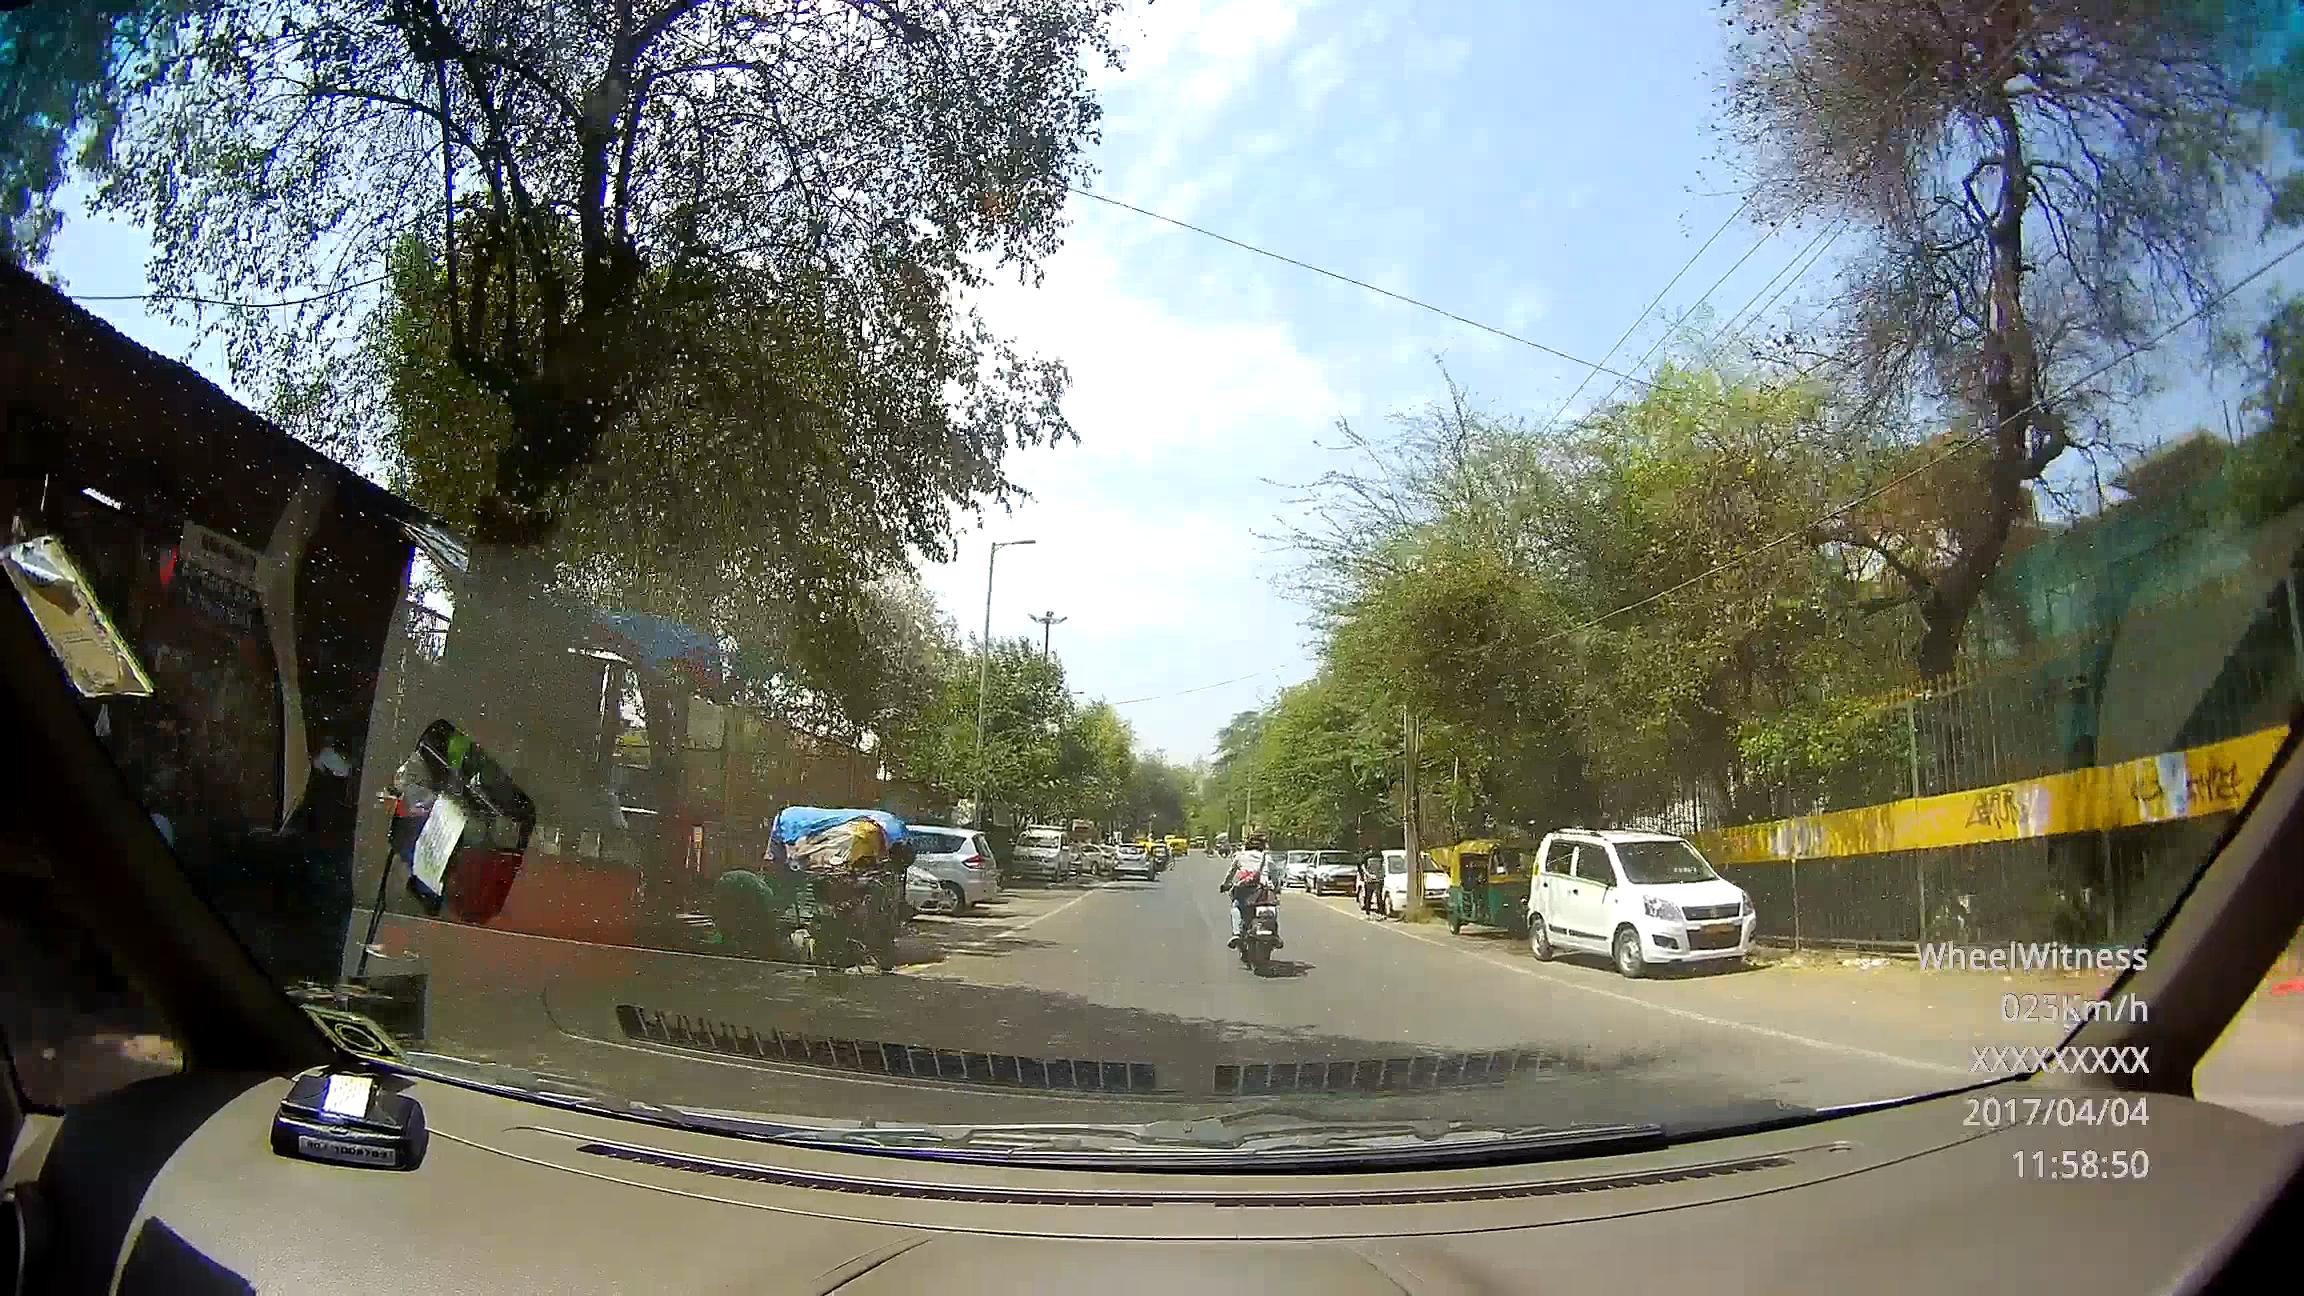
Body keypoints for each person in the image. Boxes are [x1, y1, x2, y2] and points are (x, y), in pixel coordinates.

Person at [1217, 836, 1281, 949]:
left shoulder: (1240, 856)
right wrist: (1276, 887)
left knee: (1236, 906)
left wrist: (1226, 884)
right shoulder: (1266, 858)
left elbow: (1231, 873)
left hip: (1245, 890)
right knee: (1271, 908)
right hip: (1263, 890)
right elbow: (1275, 875)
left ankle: (1237, 933)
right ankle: (1275, 934)